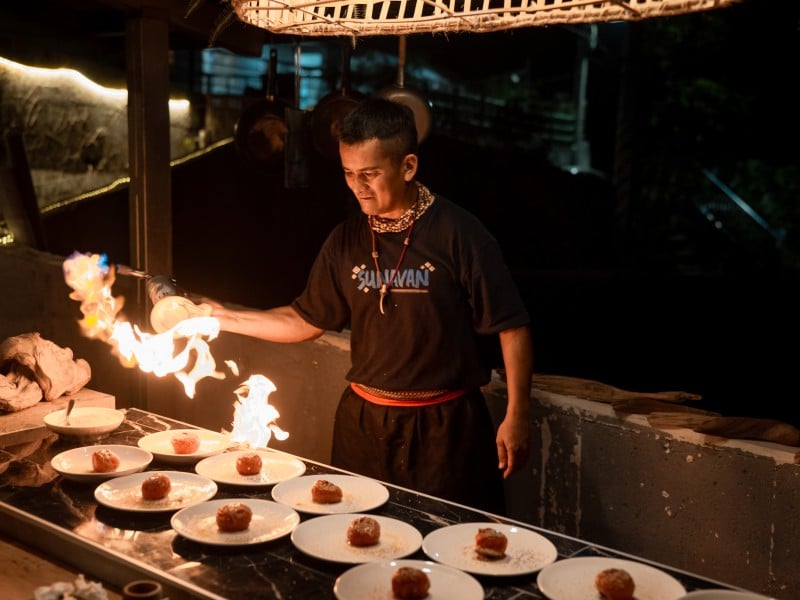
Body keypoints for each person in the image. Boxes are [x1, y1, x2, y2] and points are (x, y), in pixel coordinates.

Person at [207, 97, 533, 514]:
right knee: (355, 537)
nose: (357, 186)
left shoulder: (460, 234)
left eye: (370, 174)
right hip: (362, 424)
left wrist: (517, 413)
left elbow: (513, 325)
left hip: (444, 427)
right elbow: (304, 320)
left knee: (446, 543)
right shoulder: (345, 240)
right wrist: (217, 317)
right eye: (347, 173)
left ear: (408, 166)